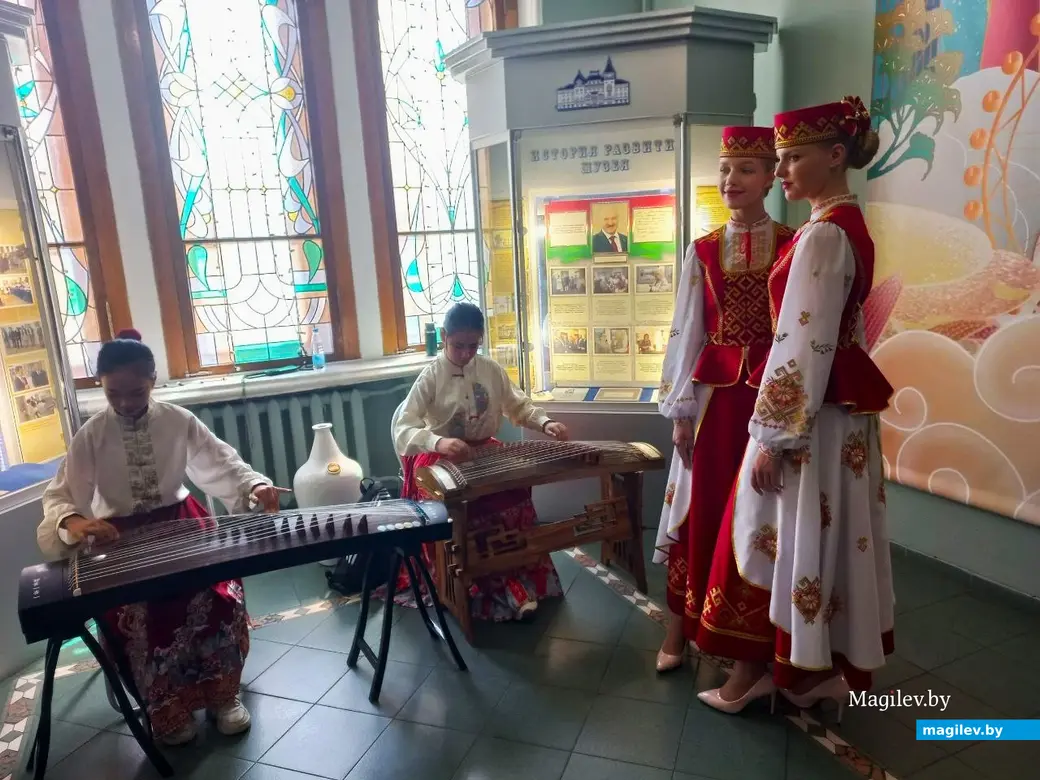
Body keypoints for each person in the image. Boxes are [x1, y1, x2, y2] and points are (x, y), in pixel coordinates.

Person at [694, 97, 895, 715]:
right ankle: (809, 671)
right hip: (836, 415)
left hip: (807, 419)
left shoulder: (824, 235)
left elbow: (802, 342)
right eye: (778, 161)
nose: (781, 172)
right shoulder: (843, 226)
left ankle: (755, 671)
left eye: (792, 159)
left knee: (761, 531)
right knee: (817, 536)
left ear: (836, 157)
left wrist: (770, 437)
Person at [37, 329, 287, 745]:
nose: (124, 403)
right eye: (113, 393)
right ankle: (167, 710)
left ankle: (223, 696)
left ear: (152, 380)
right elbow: (63, 495)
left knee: (217, 597)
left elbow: (222, 463)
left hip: (183, 523)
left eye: (135, 392)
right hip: (120, 537)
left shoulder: (177, 420)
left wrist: (253, 486)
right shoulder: (92, 434)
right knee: (141, 616)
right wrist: (77, 523)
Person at [654, 126, 795, 673]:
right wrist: (680, 413)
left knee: (762, 515)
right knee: (700, 506)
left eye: (745, 170)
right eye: (725, 170)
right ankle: (677, 626)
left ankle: (748, 641)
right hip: (714, 401)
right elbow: (685, 330)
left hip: (769, 401)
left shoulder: (794, 242)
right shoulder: (704, 249)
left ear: (769, 178)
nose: (730, 180)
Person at [393, 302, 569, 621]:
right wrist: (439, 442)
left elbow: (517, 405)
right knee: (471, 509)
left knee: (515, 496)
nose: (465, 353)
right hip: (441, 455)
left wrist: (544, 423)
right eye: (458, 345)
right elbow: (404, 427)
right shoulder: (431, 376)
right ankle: (481, 586)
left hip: (484, 450)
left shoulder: (489, 369)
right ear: (445, 337)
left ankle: (518, 581)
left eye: (473, 345)